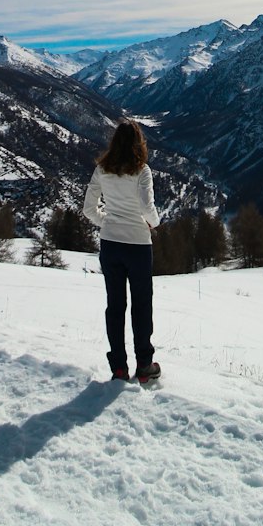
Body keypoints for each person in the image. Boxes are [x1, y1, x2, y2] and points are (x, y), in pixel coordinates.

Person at [83, 118, 161, 384]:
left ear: (114, 142)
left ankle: (118, 367)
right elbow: (146, 207)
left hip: (110, 245)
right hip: (138, 245)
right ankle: (144, 365)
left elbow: (88, 209)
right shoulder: (142, 171)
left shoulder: (102, 170)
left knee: (115, 307)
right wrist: (155, 222)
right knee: (142, 306)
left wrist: (106, 221)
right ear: (139, 143)